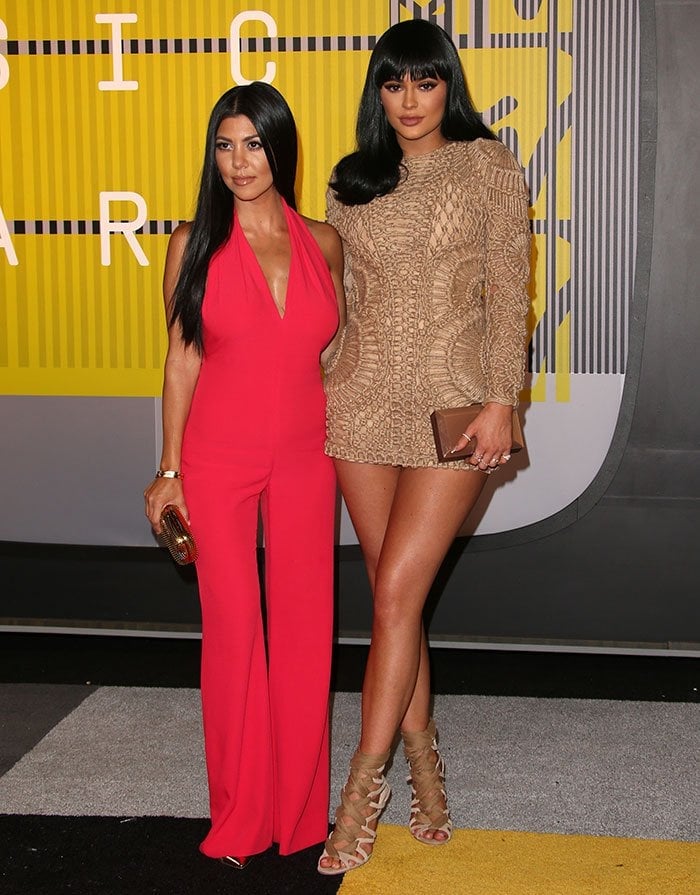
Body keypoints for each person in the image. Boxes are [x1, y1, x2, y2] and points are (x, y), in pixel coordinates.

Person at [317, 19, 531, 875]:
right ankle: (429, 775)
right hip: (359, 402)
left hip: (453, 407)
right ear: (377, 92)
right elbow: (335, 298)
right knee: (390, 599)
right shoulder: (352, 181)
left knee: (398, 593)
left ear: (450, 86)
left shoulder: (487, 164)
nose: (409, 101)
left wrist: (502, 400)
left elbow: (510, 283)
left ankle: (360, 795)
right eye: (394, 84)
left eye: (425, 82)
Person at [143, 82, 345, 868]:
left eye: (252, 144)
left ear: (279, 148)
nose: (238, 161)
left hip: (307, 453)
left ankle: (299, 817)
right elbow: (181, 358)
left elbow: (331, 355)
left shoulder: (325, 241)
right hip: (217, 456)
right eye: (224, 146)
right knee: (233, 632)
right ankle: (239, 817)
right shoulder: (192, 242)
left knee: (304, 631)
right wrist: (167, 468)